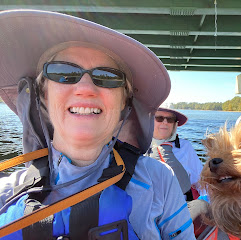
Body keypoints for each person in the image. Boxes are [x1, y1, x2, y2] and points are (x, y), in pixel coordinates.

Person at [0, 9, 196, 240]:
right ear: (43, 96)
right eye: (63, 72)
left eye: (108, 77)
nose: (85, 87)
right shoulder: (6, 192)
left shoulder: (159, 180)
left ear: (124, 104)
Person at [146, 108, 203, 201]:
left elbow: (201, 181)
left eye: (170, 119)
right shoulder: (138, 145)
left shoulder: (186, 147)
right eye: (159, 118)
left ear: (174, 124)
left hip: (180, 206)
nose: (165, 122)